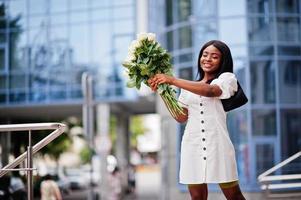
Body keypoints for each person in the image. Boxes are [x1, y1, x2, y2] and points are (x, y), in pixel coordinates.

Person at [148, 40, 246, 200]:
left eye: (214, 56)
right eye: (205, 54)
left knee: (233, 195)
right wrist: (162, 90)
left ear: (223, 61)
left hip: (218, 145)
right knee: (197, 197)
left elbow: (211, 91)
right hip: (192, 146)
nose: (207, 59)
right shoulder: (189, 88)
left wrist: (172, 80)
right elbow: (180, 117)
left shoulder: (227, 79)